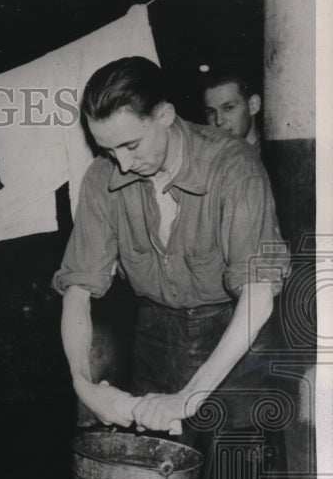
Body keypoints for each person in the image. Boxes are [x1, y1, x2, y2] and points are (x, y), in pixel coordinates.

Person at [53, 56, 288, 448]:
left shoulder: (233, 166)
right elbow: (77, 291)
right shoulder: (101, 177)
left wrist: (189, 397)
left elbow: (258, 296)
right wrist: (84, 385)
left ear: (164, 115)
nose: (123, 165)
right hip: (157, 335)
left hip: (237, 332)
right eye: (109, 150)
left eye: (131, 145)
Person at [202, 66, 263, 150]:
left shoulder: (277, 157)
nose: (219, 121)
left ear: (253, 105)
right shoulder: (209, 158)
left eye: (228, 108)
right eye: (211, 112)